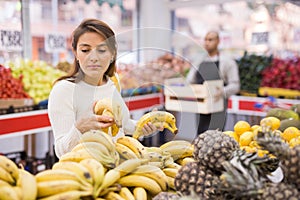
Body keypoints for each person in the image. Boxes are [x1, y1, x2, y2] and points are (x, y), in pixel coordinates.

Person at [48, 19, 159, 158]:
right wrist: (80, 128)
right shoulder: (63, 90)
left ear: (112, 54)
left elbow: (123, 126)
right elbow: (61, 152)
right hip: (88, 173)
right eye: (85, 50)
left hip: (119, 166)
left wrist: (145, 127)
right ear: (76, 54)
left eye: (101, 50)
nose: (93, 57)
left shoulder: (113, 81)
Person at [186, 30, 240, 135]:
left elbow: (235, 85)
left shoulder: (227, 62)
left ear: (218, 41)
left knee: (216, 139)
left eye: (210, 40)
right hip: (200, 108)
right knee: (201, 138)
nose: (207, 42)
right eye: (205, 40)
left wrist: (222, 91)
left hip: (218, 109)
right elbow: (189, 81)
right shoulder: (198, 61)